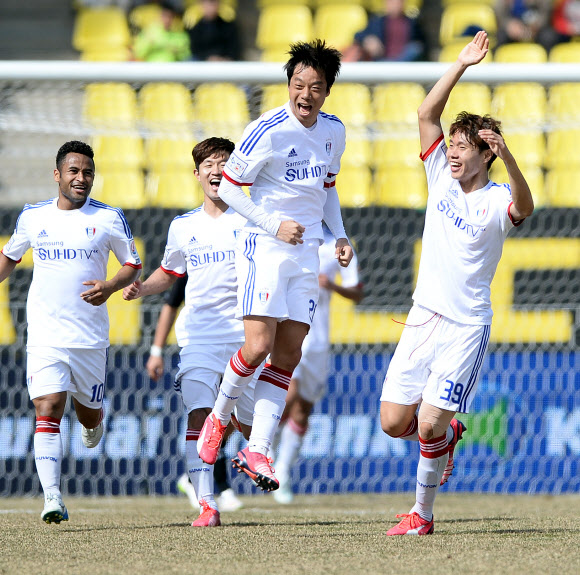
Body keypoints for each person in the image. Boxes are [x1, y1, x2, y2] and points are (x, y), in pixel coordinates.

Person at [380, 31, 534, 536]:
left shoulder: (495, 200)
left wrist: (508, 156)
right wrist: (462, 63)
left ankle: (421, 515)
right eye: (451, 144)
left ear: (484, 155)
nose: (452, 152)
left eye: (463, 147)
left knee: (426, 424)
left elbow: (526, 208)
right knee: (391, 422)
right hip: (423, 315)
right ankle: (448, 438)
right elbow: (426, 113)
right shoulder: (439, 178)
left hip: (466, 326)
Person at [196, 39, 354, 493]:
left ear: (327, 91)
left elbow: (328, 187)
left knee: (288, 354)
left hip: (307, 252)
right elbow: (228, 188)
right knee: (258, 345)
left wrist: (339, 234)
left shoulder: (334, 131)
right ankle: (218, 420)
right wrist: (273, 224)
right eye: (298, 84)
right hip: (264, 246)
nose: (305, 94)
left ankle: (258, 448)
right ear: (289, 84)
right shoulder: (266, 128)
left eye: (316, 86)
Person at [0, 141, 142, 524]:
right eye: (74, 171)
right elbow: (9, 258)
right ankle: (52, 498)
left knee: (90, 416)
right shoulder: (33, 217)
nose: (82, 178)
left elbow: (133, 263)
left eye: (88, 173)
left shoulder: (109, 217)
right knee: (47, 408)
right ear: (58, 174)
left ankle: (92, 420)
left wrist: (111, 286)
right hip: (45, 334)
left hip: (90, 339)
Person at [123, 137, 256, 527]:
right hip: (197, 338)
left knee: (252, 427)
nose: (217, 170)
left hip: (244, 339)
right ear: (197, 174)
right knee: (198, 417)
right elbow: (171, 272)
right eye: (210, 164)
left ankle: (253, 453)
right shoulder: (183, 226)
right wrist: (143, 287)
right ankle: (207, 505)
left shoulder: (252, 219)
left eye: (225, 162)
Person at [273, 226, 363, 504]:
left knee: (303, 408)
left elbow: (357, 291)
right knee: (287, 395)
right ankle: (262, 455)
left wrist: (332, 285)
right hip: (288, 330)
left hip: (319, 338)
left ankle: (282, 474)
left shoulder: (337, 244)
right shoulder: (288, 233)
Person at [145, 274, 243, 513]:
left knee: (233, 416)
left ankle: (193, 480)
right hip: (204, 343)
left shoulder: (242, 250)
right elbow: (172, 302)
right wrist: (156, 350)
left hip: (237, 339)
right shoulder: (197, 255)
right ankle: (217, 486)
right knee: (207, 412)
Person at [342, 0, 424, 62]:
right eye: (390, 1)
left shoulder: (412, 22)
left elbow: (422, 43)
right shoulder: (377, 21)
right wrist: (369, 39)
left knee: (414, 49)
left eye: (397, 1)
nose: (394, 4)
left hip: (404, 61)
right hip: (382, 59)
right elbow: (358, 35)